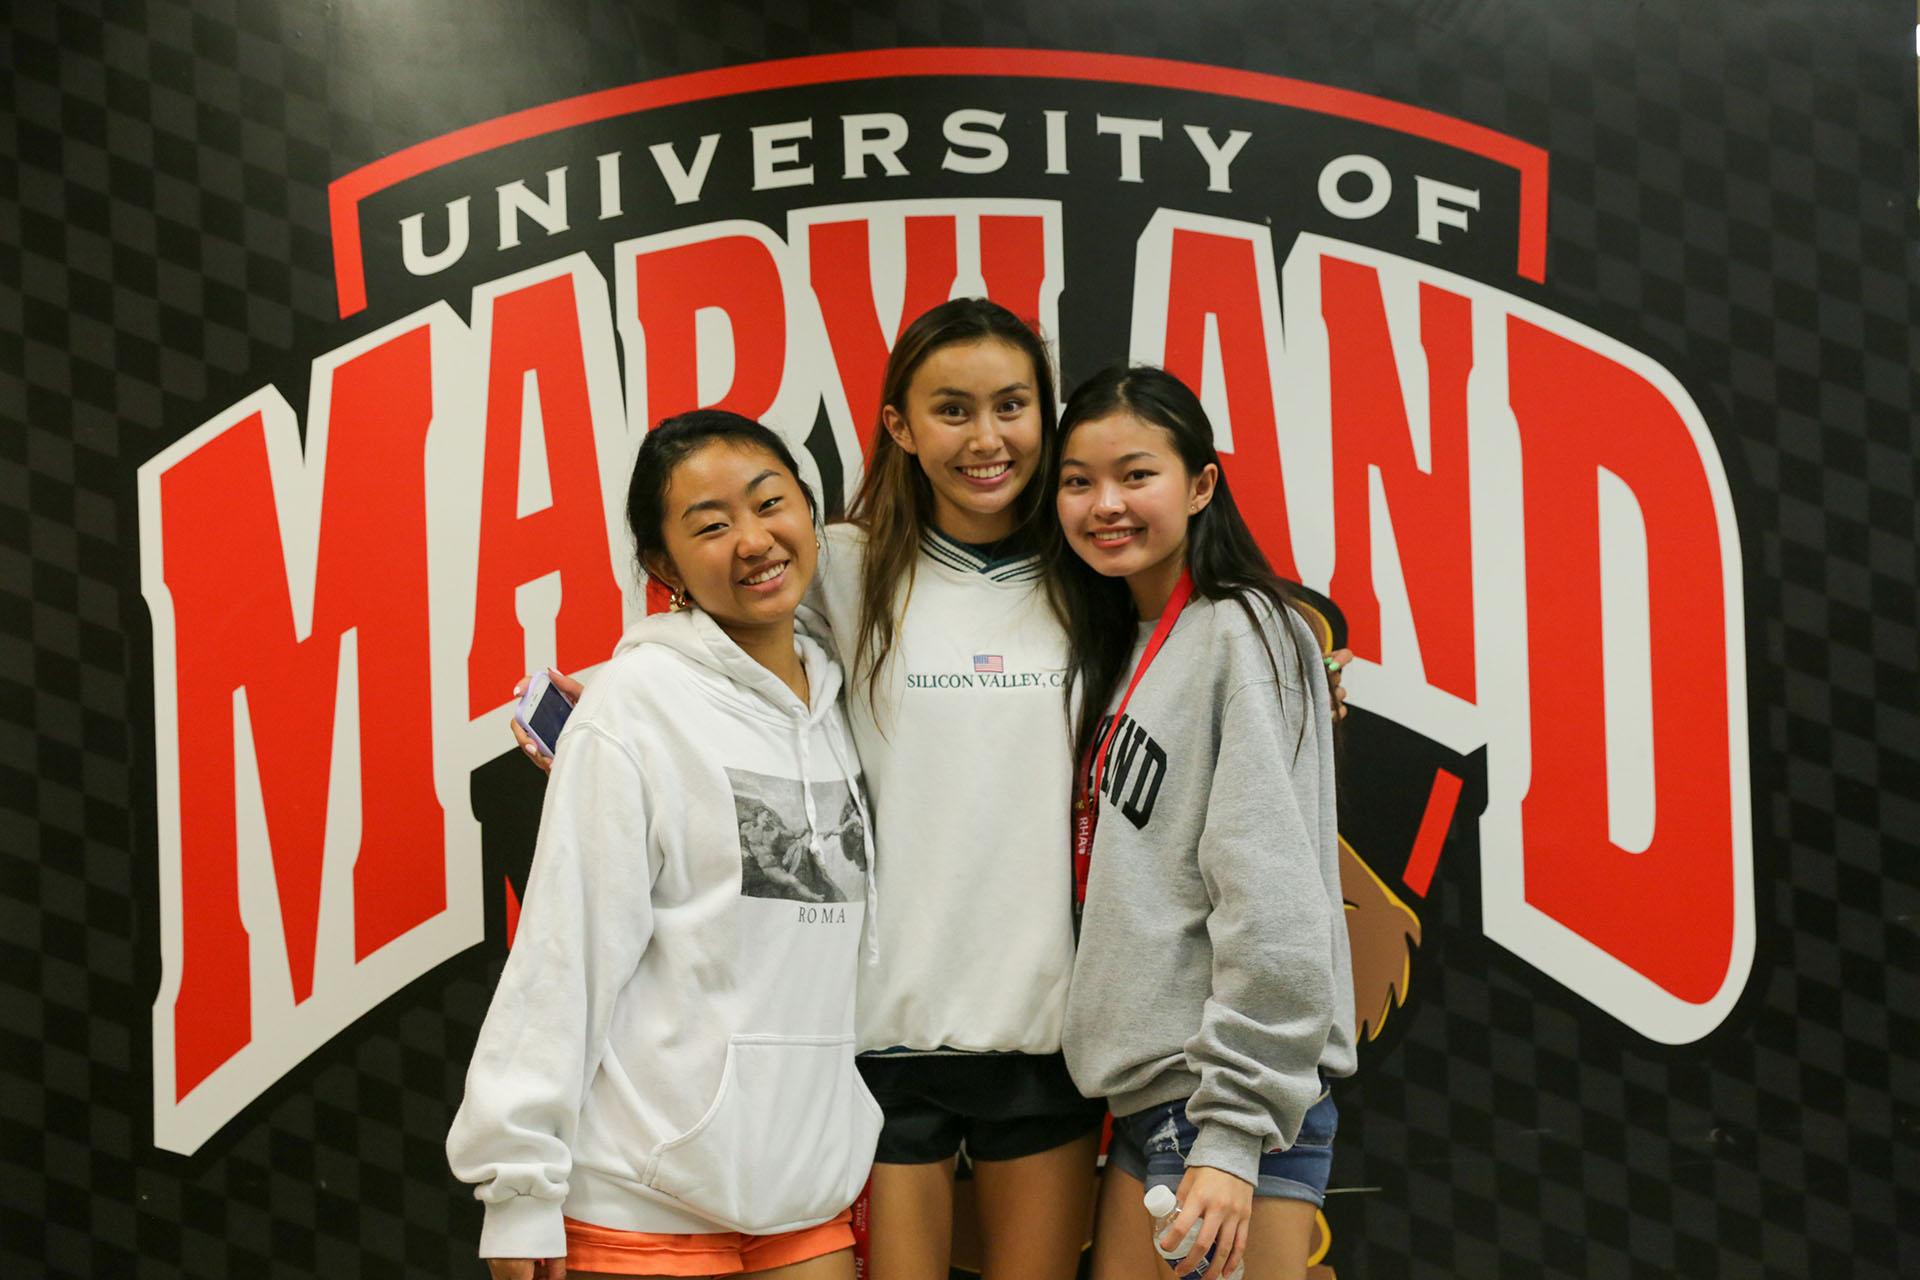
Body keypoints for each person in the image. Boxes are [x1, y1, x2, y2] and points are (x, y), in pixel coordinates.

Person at [450, 410, 882, 1280]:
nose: (754, 539)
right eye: (711, 525)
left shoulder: (845, 705)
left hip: (806, 1203)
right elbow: (564, 956)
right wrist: (520, 1192)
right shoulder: (633, 711)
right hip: (642, 1207)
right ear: (663, 567)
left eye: (772, 503)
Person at [1049, 366, 1356, 1280]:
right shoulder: (1129, 639)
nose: (1106, 503)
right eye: (1078, 481)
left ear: (1202, 484)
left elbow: (1273, 896)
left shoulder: (1245, 633)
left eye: (1136, 474)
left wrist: (1231, 1134)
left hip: (1223, 1102)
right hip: (1155, 1100)